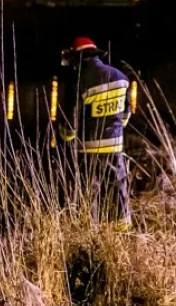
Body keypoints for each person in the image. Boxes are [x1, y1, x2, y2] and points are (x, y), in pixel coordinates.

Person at [57, 37, 133, 230]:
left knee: (88, 192)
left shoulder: (79, 82)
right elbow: (125, 116)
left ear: (78, 59)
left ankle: (89, 232)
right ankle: (121, 231)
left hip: (88, 150)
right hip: (115, 146)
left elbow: (69, 128)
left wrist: (66, 136)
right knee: (118, 189)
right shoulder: (121, 77)